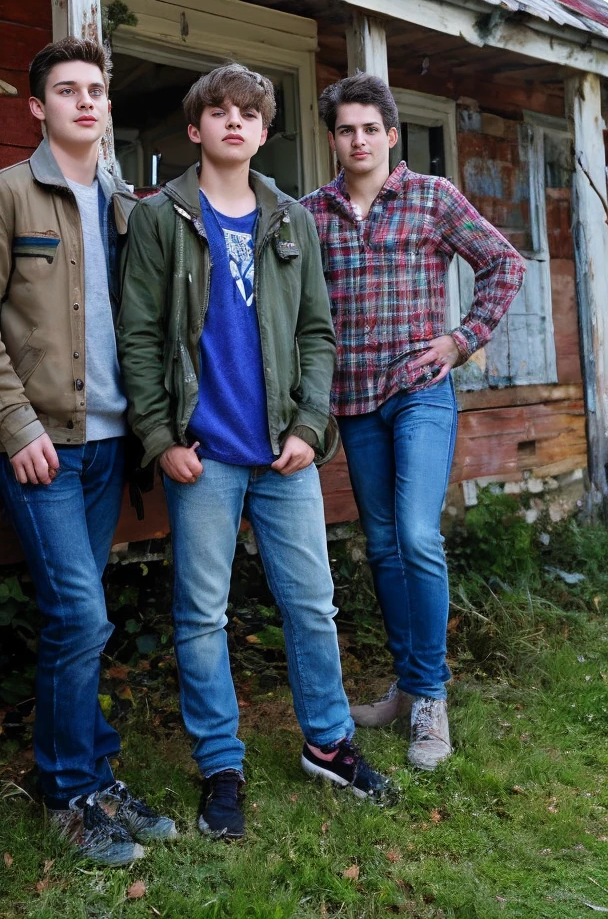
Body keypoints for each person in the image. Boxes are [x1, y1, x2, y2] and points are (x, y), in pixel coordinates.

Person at [117, 63, 392, 841]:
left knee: (312, 604)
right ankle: (220, 766)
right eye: (219, 111)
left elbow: (316, 334)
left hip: (282, 456)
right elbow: (137, 340)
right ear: (196, 127)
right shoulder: (162, 218)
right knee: (202, 615)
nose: (234, 122)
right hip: (201, 458)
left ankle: (329, 743)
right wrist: (161, 437)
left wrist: (310, 427)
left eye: (249, 113)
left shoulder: (289, 220)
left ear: (265, 132)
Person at [0, 36, 175, 866]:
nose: (85, 101)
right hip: (39, 446)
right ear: (36, 107)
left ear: (108, 108)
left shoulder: (120, 201)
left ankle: (94, 775)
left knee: (76, 621)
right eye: (66, 90)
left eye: (96, 91)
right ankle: (68, 790)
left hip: (110, 446)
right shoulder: (6, 194)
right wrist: (17, 424)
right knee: (81, 616)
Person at [301, 73, 526, 770]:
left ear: (391, 135)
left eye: (371, 128)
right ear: (332, 138)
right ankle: (405, 684)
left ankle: (431, 698)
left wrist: (462, 339)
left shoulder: (431, 197)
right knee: (383, 546)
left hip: (420, 390)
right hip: (354, 400)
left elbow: (503, 262)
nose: (358, 139)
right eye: (346, 129)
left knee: (419, 535)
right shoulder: (311, 213)